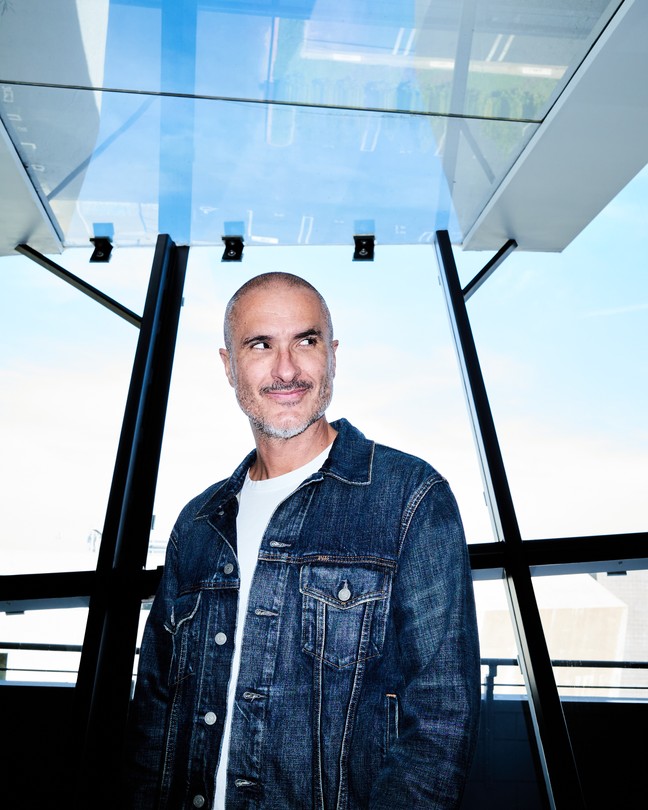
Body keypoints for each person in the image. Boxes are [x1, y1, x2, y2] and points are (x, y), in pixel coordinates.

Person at [123, 272, 481, 809]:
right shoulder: (198, 524)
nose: (286, 369)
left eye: (306, 342)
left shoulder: (411, 499)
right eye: (261, 344)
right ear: (229, 365)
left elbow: (440, 723)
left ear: (332, 355)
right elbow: (155, 714)